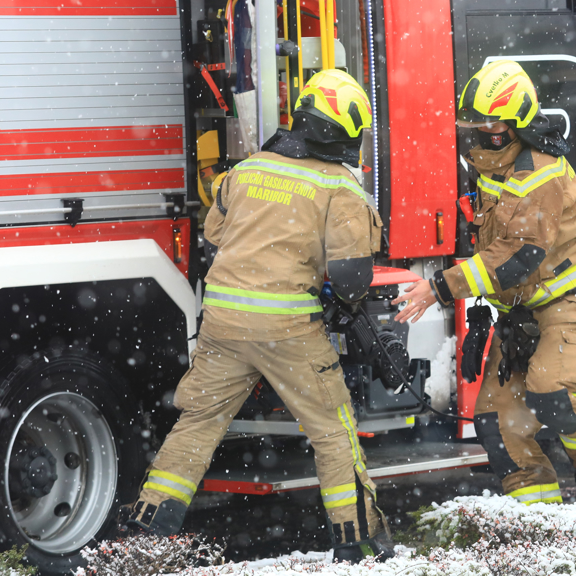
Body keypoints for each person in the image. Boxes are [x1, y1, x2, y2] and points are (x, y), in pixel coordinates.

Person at [124, 69, 392, 562]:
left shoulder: (246, 171)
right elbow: (352, 281)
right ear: (343, 132)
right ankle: (357, 543)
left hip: (223, 323)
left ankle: (148, 530)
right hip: (290, 329)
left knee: (198, 423)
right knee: (333, 430)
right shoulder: (340, 187)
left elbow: (214, 237)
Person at [394, 60, 576, 505]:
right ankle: (539, 520)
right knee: (497, 425)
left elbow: (519, 256)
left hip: (566, 304)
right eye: (474, 130)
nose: (480, 139)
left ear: (517, 128)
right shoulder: (493, 167)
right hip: (519, 313)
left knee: (552, 391)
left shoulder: (541, 172)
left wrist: (440, 287)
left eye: (492, 131)